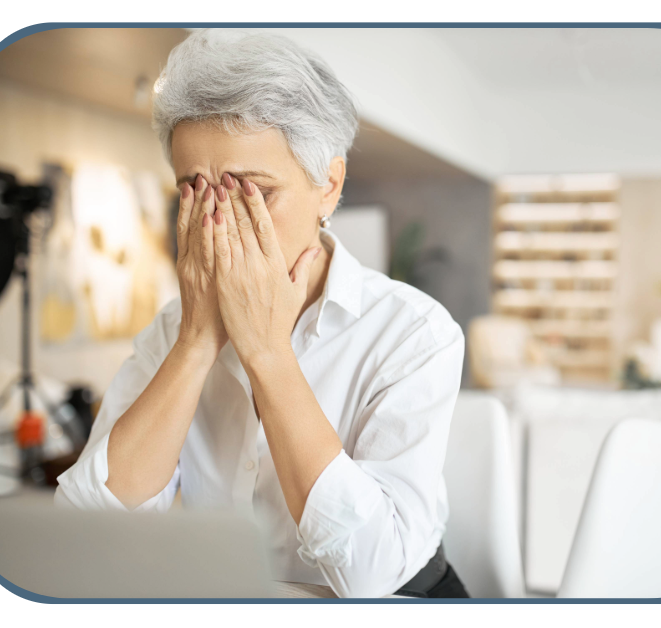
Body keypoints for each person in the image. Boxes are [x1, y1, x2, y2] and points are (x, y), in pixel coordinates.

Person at [55, 29, 469, 598]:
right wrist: (197, 342)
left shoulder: (413, 332)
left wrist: (268, 352)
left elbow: (371, 577)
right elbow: (82, 537)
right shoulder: (172, 332)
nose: (220, 225)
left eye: (254, 193)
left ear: (329, 184)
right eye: (196, 194)